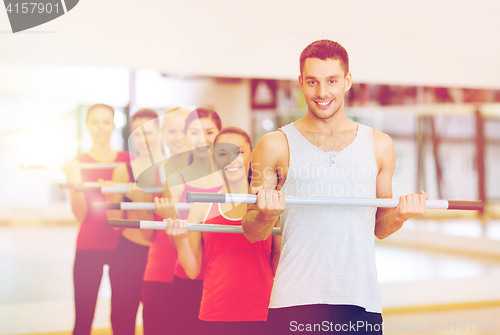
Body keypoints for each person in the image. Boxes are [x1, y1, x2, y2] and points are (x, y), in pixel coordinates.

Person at [241, 40, 428, 334]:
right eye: (313, 82)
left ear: (347, 81)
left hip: (360, 301)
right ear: (301, 83)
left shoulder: (380, 145)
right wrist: (265, 215)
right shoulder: (273, 145)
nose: (322, 92)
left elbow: (379, 226)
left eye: (332, 81)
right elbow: (252, 231)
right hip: (294, 302)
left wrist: (401, 215)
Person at [159, 127, 280, 335]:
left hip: (263, 311)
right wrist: (180, 240)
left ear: (252, 154)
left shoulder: (267, 204)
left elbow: (277, 258)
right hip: (216, 311)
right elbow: (192, 270)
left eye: (239, 152)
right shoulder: (202, 207)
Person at [145, 107, 223, 334]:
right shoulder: (175, 181)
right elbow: (176, 243)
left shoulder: (234, 176)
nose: (203, 140)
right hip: (187, 276)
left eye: (209, 132)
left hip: (222, 279)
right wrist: (170, 218)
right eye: (195, 133)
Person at [63, 104, 136, 335]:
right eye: (95, 122)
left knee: (123, 321)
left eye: (106, 122)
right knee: (83, 319)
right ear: (88, 125)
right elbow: (80, 215)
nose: (101, 127)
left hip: (123, 245)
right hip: (89, 245)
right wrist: (74, 179)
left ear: (114, 125)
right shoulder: (78, 163)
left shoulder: (129, 160)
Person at [106, 109, 168, 333]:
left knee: (158, 321)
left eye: (148, 132)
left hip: (163, 255)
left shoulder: (173, 170)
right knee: (122, 319)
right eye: (137, 134)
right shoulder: (123, 170)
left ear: (160, 132)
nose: (143, 139)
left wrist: (142, 203)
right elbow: (113, 220)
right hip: (129, 253)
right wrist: (127, 202)